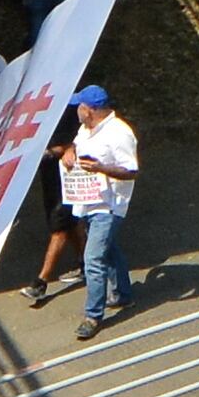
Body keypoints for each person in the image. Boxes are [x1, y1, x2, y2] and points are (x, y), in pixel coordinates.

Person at [53, 87, 139, 327]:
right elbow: (77, 143)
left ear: (89, 110)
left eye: (78, 107)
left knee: (92, 259)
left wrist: (101, 168)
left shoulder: (119, 133)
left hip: (109, 206)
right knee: (108, 249)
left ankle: (92, 316)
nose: (75, 111)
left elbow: (131, 171)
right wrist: (70, 150)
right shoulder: (86, 128)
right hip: (88, 203)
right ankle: (123, 294)